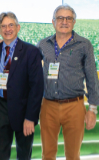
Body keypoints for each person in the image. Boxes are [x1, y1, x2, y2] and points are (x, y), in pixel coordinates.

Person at [37, 4, 99, 160]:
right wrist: (3, 44)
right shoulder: (43, 45)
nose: (64, 21)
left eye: (68, 18)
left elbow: (92, 78)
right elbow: (28, 69)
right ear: (53, 22)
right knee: (47, 154)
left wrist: (92, 109)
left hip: (74, 107)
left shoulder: (84, 45)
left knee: (73, 155)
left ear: (74, 22)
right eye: (60, 18)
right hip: (48, 106)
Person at [0, 12, 44, 160]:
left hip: (23, 110)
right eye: (3, 26)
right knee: (0, 155)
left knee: (24, 154)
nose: (7, 29)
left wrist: (30, 118)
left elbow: (37, 87)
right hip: (0, 109)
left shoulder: (31, 51)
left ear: (18, 27)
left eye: (11, 25)